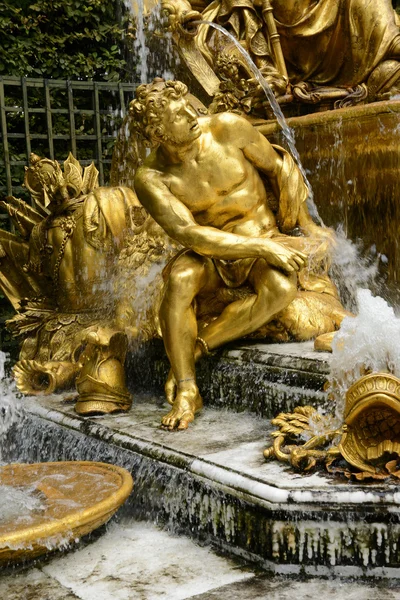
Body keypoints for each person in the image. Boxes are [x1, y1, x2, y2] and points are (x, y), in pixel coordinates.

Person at [133, 78, 341, 431]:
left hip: (264, 234)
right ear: (158, 132)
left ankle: (198, 348)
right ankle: (187, 389)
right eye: (178, 114)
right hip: (213, 254)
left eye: (188, 105)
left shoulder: (229, 129)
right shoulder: (151, 177)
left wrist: (305, 225)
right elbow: (190, 234)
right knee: (181, 279)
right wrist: (260, 248)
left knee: (281, 289)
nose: (191, 113)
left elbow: (280, 169)